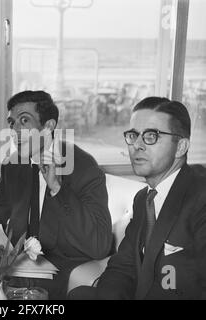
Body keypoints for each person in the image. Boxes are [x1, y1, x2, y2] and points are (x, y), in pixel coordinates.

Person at [0, 90, 113, 299]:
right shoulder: (14, 163)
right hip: (17, 258)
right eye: (12, 123)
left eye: (24, 121)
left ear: (48, 126)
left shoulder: (82, 166)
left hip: (57, 263)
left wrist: (57, 188)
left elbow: (99, 244)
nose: (15, 131)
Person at [69, 96, 206, 300]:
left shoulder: (200, 197)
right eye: (133, 135)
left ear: (181, 147)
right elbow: (123, 266)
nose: (137, 145)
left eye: (151, 136)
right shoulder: (144, 199)